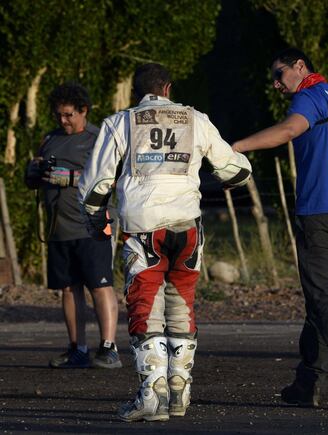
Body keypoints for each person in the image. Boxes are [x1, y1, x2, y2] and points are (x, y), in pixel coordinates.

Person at [78, 63, 252, 422]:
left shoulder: (120, 122)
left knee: (145, 306)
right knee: (180, 303)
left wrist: (96, 220)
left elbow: (96, 186)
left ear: (136, 92)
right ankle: (178, 393)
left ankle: (150, 396)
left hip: (144, 228)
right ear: (169, 88)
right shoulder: (195, 119)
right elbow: (235, 171)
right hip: (188, 227)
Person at [232, 48, 328, 410]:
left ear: (300, 66)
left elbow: (288, 130)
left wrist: (238, 147)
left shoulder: (310, 97)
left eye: (280, 74)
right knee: (320, 299)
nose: (277, 84)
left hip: (321, 214)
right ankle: (307, 382)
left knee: (325, 300)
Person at [25, 82, 122, 370]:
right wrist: (34, 171)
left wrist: (69, 178)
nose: (63, 120)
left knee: (100, 285)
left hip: (92, 225)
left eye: (68, 115)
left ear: (83, 111)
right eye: (59, 115)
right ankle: (77, 348)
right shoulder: (49, 139)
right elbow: (32, 179)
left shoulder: (98, 139)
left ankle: (109, 347)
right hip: (59, 227)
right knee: (68, 288)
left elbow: (112, 178)